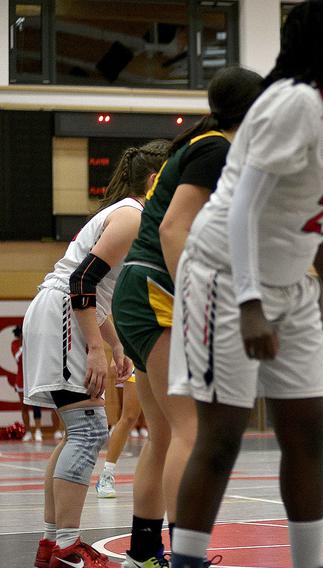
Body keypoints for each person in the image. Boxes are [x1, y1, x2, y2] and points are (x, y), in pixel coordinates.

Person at [167, 3, 323, 567]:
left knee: (309, 433)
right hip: (224, 277)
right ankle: (187, 562)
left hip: (293, 288)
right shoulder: (291, 104)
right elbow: (240, 209)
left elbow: (318, 223)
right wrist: (250, 305)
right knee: (221, 438)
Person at [112, 66, 263, 568]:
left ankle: (145, 550)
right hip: (158, 290)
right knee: (190, 432)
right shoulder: (217, 148)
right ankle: (187, 558)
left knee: (164, 435)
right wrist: (200, 299)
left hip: (140, 291)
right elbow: (176, 229)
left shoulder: (206, 146)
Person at [22, 140, 169, 568]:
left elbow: (95, 290)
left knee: (76, 432)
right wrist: (95, 349)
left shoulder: (126, 213)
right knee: (88, 433)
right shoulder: (133, 215)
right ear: (154, 179)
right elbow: (82, 281)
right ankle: (67, 545)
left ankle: (54, 544)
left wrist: (116, 343)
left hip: (57, 312)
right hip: (64, 312)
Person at [95, 371, 141, 498]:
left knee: (163, 419)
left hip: (165, 359)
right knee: (129, 416)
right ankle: (107, 475)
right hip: (138, 358)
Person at [9, 325, 44, 443]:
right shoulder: (15, 344)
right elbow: (18, 358)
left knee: (36, 405)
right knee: (24, 407)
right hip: (21, 380)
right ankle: (28, 431)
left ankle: (38, 430)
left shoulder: (33, 344)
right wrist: (23, 345)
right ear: (19, 335)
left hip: (33, 378)